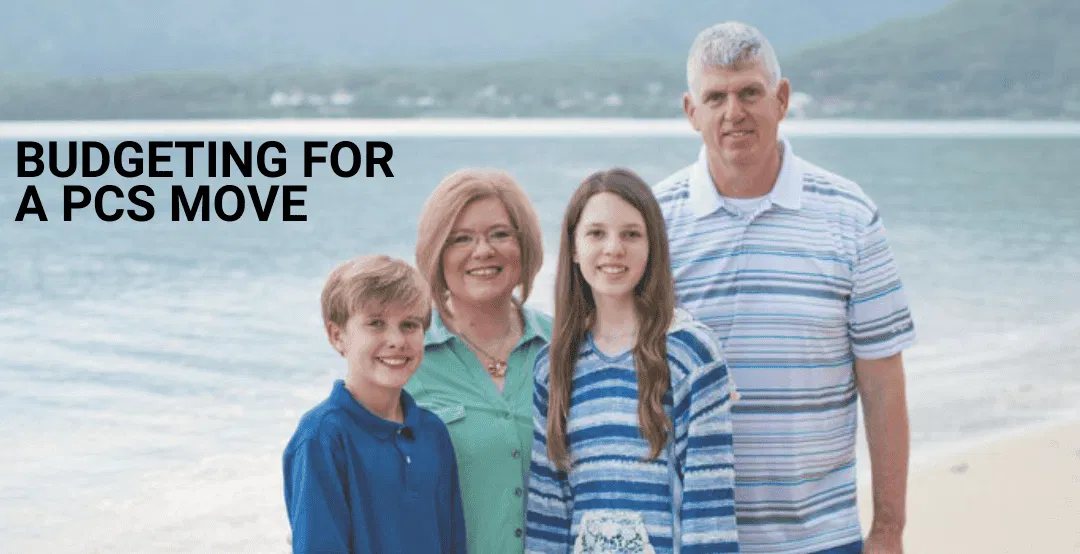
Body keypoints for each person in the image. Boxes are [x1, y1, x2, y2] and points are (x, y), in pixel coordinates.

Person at [654, 21, 917, 554]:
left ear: (782, 98)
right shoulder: (652, 225)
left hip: (823, 537)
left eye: (750, 91)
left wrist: (888, 529)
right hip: (689, 537)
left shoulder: (850, 215)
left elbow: (883, 383)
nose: (734, 112)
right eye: (716, 96)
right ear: (691, 112)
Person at [526, 168, 740, 554]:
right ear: (574, 248)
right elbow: (548, 510)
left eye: (631, 234)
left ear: (652, 246)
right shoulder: (552, 366)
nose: (613, 249)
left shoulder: (691, 353)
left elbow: (709, 506)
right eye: (596, 233)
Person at [406, 168, 553, 554]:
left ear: (525, 246)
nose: (483, 250)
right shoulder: (404, 357)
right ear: (437, 254)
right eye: (461, 239)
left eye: (500, 234)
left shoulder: (567, 347)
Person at [282, 255, 466, 554]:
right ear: (337, 335)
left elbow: (453, 542)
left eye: (409, 325)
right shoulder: (322, 436)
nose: (396, 340)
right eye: (375, 324)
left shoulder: (433, 432)